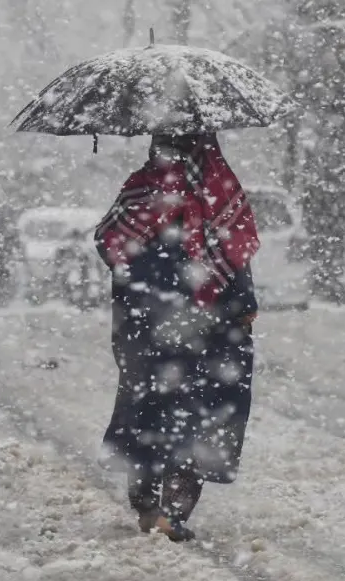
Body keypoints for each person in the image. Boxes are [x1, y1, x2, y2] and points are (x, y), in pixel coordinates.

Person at [94, 133, 260, 542]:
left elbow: (109, 244)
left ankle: (148, 505)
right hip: (211, 328)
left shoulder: (142, 188)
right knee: (199, 417)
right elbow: (236, 257)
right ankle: (174, 510)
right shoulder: (220, 189)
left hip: (146, 324)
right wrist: (241, 306)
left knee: (147, 409)